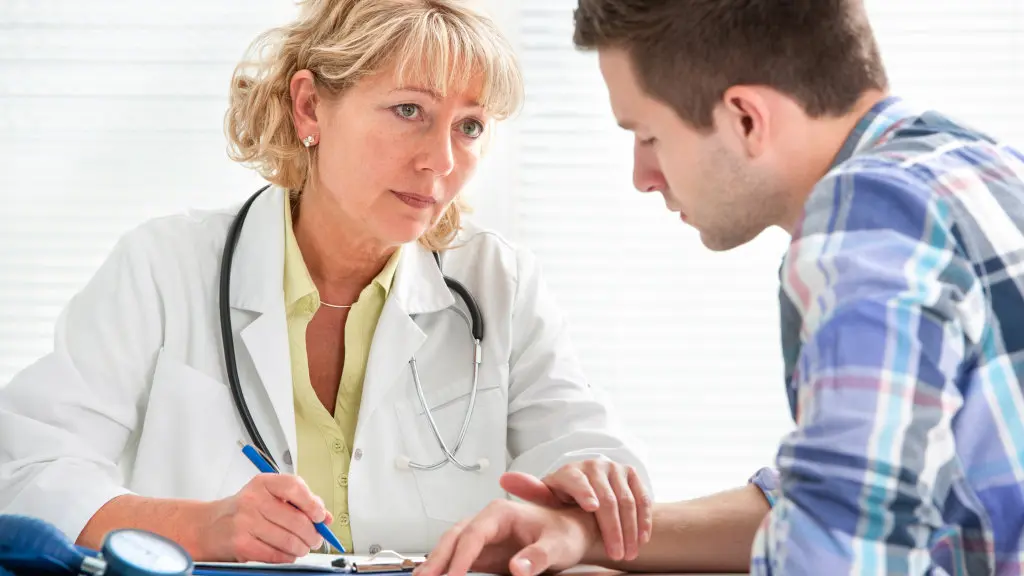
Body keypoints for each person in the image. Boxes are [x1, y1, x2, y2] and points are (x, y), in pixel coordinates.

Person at [0, 0, 653, 564]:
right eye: (409, 110)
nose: (441, 160)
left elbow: (589, 455)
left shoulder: (498, 285)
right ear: (310, 106)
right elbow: (26, 474)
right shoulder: (164, 267)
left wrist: (593, 484)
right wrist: (203, 527)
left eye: (470, 126)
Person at [413, 0, 1024, 574]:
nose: (642, 176)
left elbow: (841, 553)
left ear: (745, 118)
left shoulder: (866, 229)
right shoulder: (979, 167)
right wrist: (583, 533)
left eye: (648, 135)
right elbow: (835, 499)